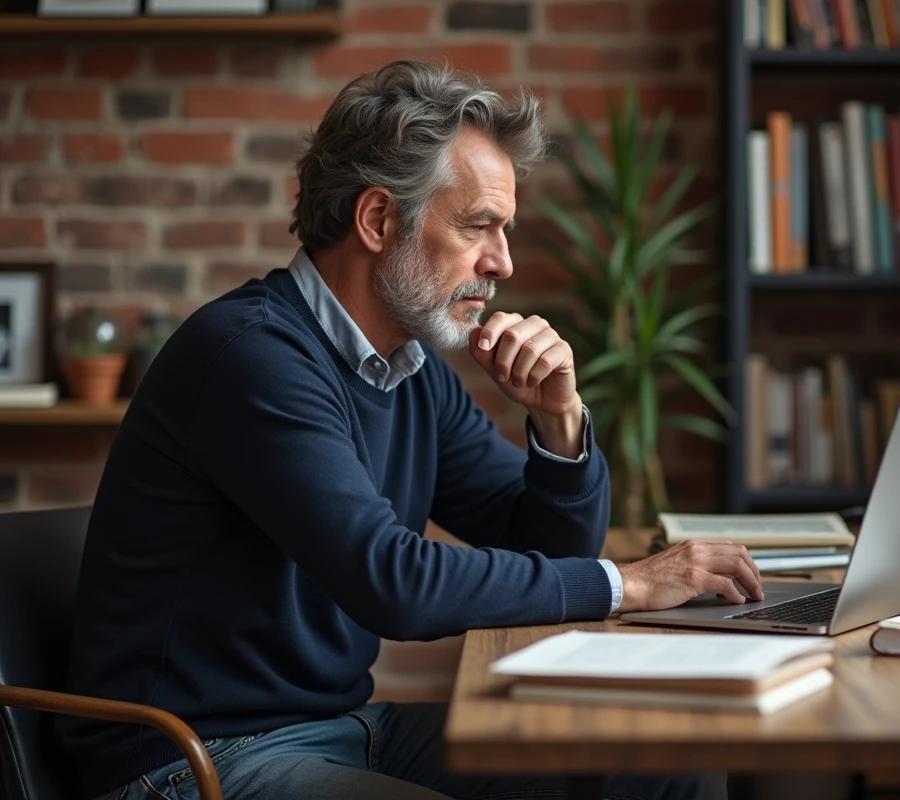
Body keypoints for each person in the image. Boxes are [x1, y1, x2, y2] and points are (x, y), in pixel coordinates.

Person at [59, 60, 763, 800]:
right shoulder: (251, 357)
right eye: (478, 227)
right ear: (377, 220)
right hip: (196, 759)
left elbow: (550, 549)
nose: (503, 262)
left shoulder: (411, 370)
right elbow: (392, 582)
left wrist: (559, 420)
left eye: (505, 230)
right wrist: (628, 584)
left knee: (662, 758)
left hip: (343, 726)